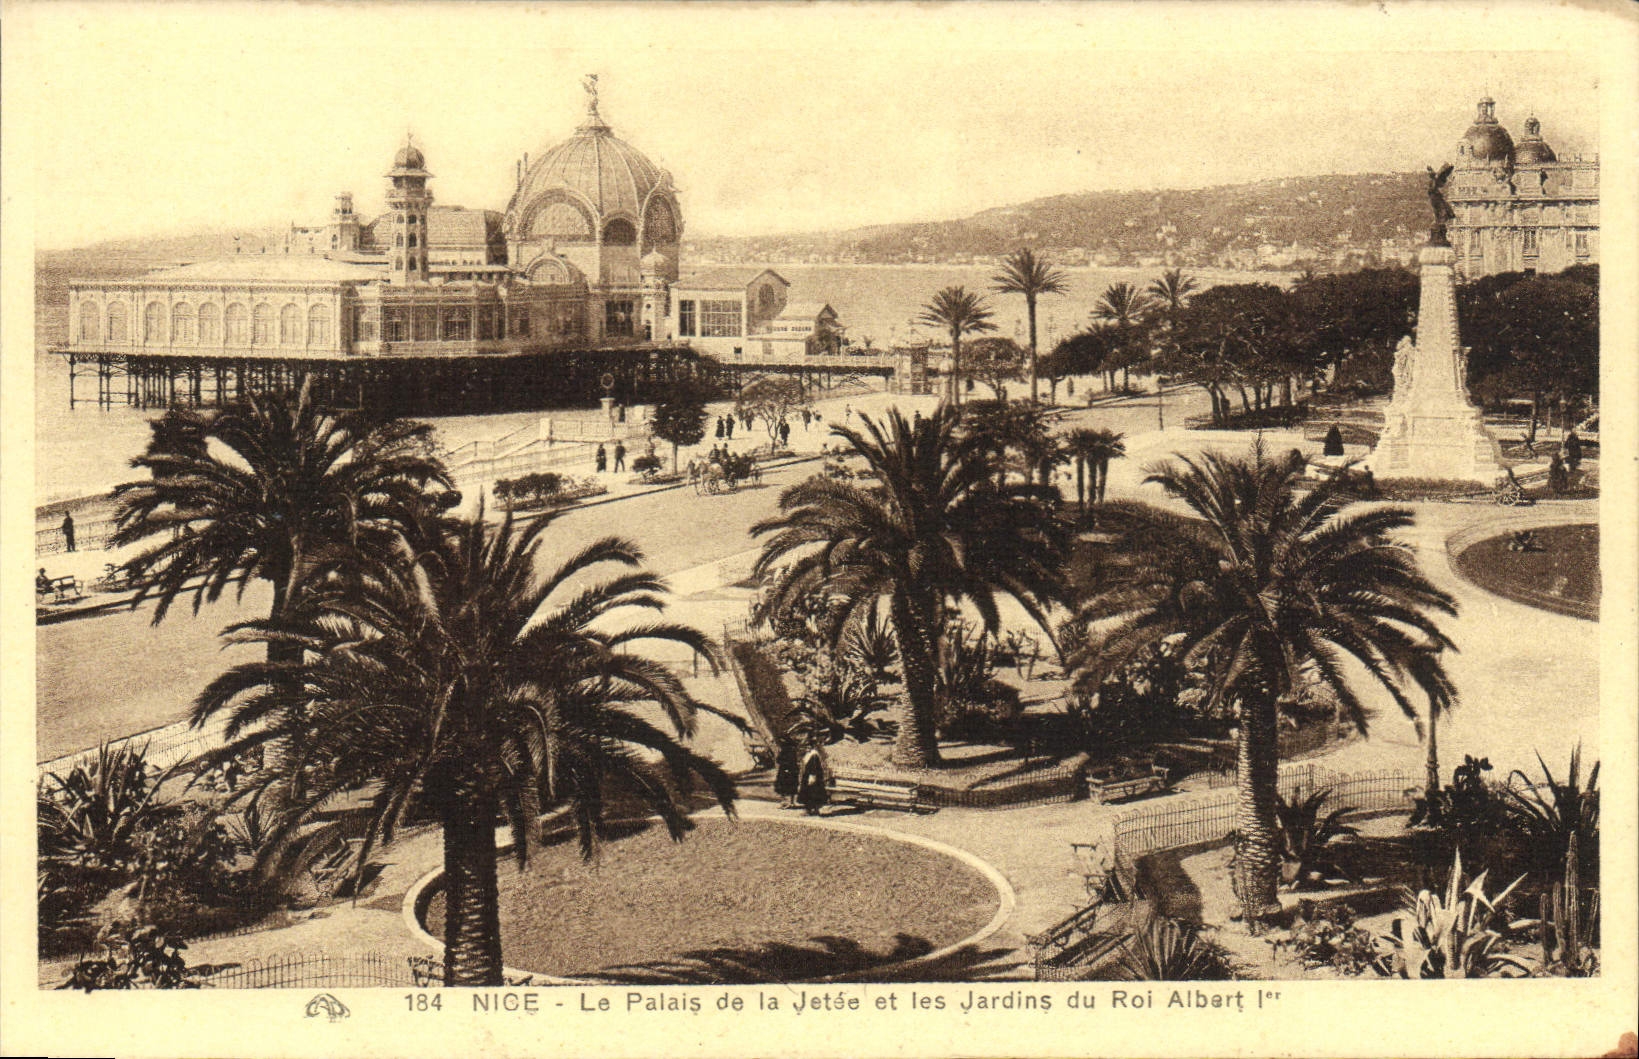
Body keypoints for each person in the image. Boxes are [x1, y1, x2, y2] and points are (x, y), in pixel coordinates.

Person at [796, 745, 831, 816]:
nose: (806, 749)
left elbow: (814, 767)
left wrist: (812, 776)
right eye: (806, 747)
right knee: (812, 794)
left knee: (810, 794)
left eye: (808, 747)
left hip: (812, 777)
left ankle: (809, 810)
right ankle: (814, 809)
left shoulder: (814, 755)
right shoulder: (810, 755)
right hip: (809, 776)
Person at [773, 741, 801, 809]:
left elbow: (779, 760)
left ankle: (787, 802)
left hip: (786, 771)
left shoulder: (785, 751)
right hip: (790, 771)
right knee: (790, 787)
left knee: (785, 787)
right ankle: (790, 802)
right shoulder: (792, 751)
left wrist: (786, 768)